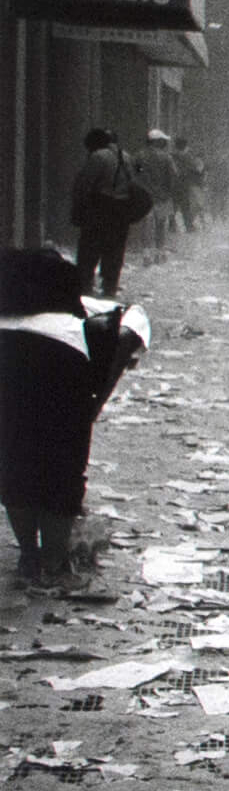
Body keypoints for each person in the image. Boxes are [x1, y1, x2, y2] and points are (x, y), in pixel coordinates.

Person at [0, 248, 149, 590]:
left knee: (14, 464)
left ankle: (28, 555)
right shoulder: (82, 314)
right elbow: (130, 329)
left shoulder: (13, 301)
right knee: (63, 469)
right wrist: (97, 397)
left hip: (8, 362)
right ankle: (54, 561)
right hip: (64, 366)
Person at [69, 128, 139, 297]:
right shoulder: (127, 157)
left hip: (100, 207)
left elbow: (85, 184)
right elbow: (137, 177)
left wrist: (79, 207)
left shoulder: (98, 157)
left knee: (90, 248)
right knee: (115, 249)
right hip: (122, 209)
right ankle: (110, 286)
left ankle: (85, 285)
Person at [138, 129, 175, 249]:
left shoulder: (139, 156)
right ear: (157, 142)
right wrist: (168, 190)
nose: (165, 143)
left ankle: (146, 254)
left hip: (144, 196)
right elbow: (173, 175)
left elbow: (135, 173)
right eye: (163, 141)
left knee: (146, 226)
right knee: (160, 225)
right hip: (162, 196)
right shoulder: (166, 157)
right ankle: (160, 252)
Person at [170, 137, 206, 232]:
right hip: (184, 183)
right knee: (185, 205)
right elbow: (197, 170)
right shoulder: (188, 157)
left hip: (172, 184)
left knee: (173, 205)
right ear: (185, 146)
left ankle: (172, 226)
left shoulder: (171, 156)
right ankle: (189, 226)